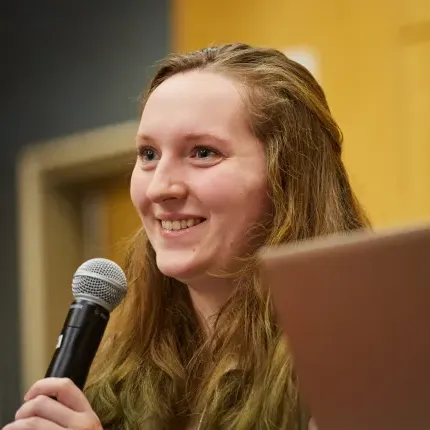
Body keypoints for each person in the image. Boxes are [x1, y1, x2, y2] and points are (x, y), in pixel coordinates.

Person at [6, 43, 369, 430]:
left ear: (289, 176)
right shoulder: (116, 381)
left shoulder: (362, 360)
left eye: (202, 152)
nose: (161, 187)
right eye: (148, 154)